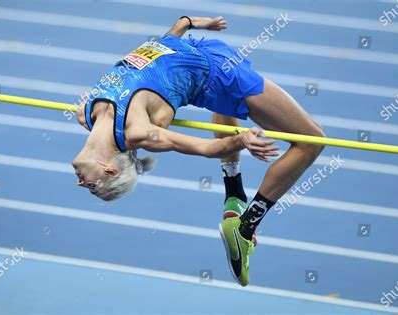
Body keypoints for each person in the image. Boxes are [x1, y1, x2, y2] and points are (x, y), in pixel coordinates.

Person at [72, 16, 325, 286]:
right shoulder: (141, 132)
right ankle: (247, 225)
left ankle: (234, 196)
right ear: (108, 169)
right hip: (221, 75)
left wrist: (185, 23)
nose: (80, 183)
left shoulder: (87, 112)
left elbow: (155, 51)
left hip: (200, 48)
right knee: (312, 141)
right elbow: (206, 148)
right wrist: (242, 140)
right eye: (90, 186)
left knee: (229, 104)